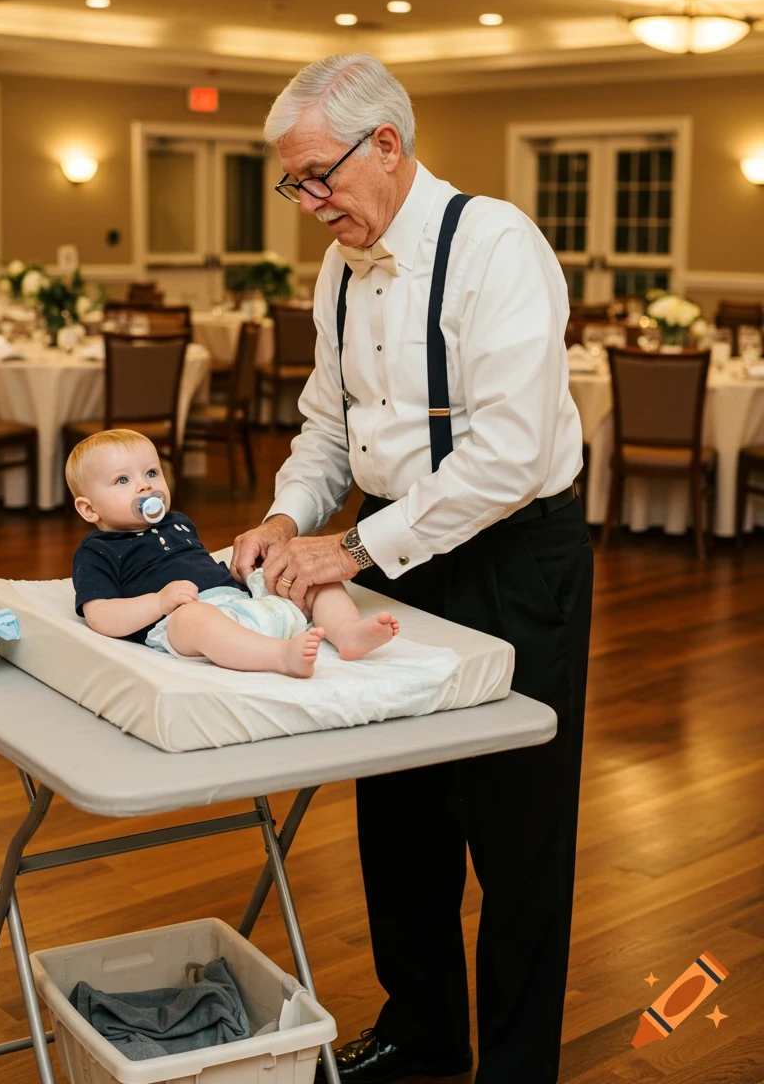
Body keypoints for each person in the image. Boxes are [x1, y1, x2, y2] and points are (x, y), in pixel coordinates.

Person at [232, 53, 593, 1084]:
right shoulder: (339, 266)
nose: (307, 202)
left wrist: (343, 548)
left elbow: (508, 454)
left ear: (384, 145)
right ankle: (421, 1025)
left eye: (317, 176)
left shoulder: (495, 247)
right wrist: (283, 515)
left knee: (516, 833)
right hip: (394, 547)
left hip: (515, 556)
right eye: (292, 182)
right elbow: (326, 429)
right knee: (397, 813)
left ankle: (515, 1066)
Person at [67, 428, 399, 678]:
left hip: (241, 604)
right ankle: (281, 656)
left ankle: (345, 632)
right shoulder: (96, 551)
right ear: (88, 508)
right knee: (193, 619)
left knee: (307, 570)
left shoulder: (177, 522)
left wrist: (241, 575)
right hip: (180, 620)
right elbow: (101, 615)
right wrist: (158, 602)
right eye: (123, 480)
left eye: (151, 473)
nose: (145, 486)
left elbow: (200, 564)